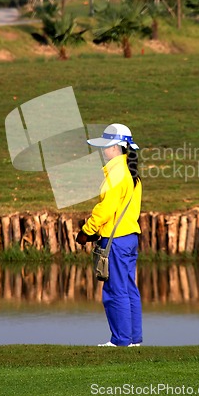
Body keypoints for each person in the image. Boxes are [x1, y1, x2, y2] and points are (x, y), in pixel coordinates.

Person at [76, 123, 143, 347]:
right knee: (128, 288)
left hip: (116, 241)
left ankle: (121, 341)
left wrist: (87, 231)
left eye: (106, 146)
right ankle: (133, 340)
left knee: (115, 290)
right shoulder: (131, 173)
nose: (103, 150)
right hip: (130, 237)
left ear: (116, 147)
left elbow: (105, 210)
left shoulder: (117, 174)